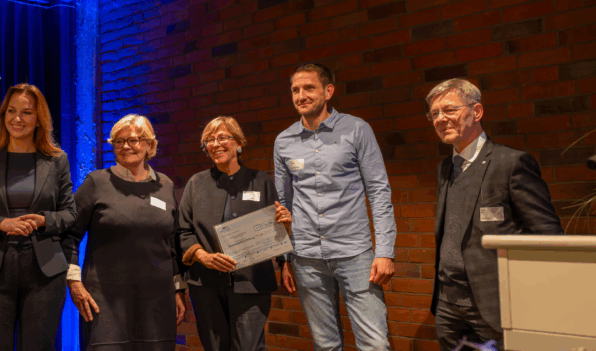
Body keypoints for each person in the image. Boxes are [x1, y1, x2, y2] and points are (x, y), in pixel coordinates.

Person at [425, 79, 564, 350]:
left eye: (450, 109)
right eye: (435, 113)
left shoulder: (511, 163)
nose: (441, 119)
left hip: (495, 304)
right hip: (447, 305)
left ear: (477, 111)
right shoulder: (444, 168)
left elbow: (549, 239)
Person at [274, 63, 396, 351]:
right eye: (295, 90)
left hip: (355, 254)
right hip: (306, 257)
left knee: (375, 344)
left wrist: (385, 251)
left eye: (309, 88)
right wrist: (285, 258)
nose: (301, 96)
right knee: (325, 345)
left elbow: (379, 192)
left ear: (328, 91)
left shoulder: (357, 129)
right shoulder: (283, 141)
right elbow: (283, 206)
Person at [0, 83, 76, 350]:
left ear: (39, 119)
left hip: (44, 274)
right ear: (3, 115)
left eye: (26, 112)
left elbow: (70, 214)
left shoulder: (57, 160)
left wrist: (44, 221)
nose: (17, 118)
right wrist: (1, 223)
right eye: (11, 111)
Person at [65, 114, 186, 351]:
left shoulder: (165, 185)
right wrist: (74, 282)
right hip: (104, 304)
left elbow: (172, 244)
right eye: (118, 142)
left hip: (157, 304)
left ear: (149, 144)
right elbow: (68, 234)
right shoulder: (96, 183)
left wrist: (179, 289)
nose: (125, 147)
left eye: (133, 140)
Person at [177, 116, 292, 351]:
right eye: (209, 140)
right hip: (206, 284)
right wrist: (202, 256)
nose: (215, 144)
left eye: (222, 138)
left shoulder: (261, 181)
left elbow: (275, 229)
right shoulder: (196, 184)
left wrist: (285, 227)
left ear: (239, 143)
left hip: (252, 282)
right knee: (214, 347)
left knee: (250, 347)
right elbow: (183, 231)